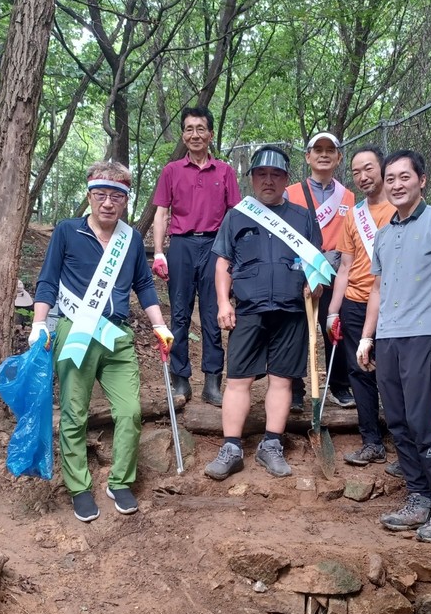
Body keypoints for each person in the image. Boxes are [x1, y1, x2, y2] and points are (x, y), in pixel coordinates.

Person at [29, 161, 174, 522]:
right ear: (90, 195)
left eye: (116, 196)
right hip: (75, 331)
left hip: (117, 334)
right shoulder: (67, 231)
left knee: (130, 410)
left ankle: (120, 480)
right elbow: (48, 279)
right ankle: (79, 486)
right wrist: (39, 323)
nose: (108, 203)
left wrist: (159, 325)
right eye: (101, 195)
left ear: (126, 200)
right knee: (74, 412)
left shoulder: (131, 239)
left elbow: (144, 285)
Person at [356, 149, 431, 543]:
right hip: (389, 337)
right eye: (390, 178)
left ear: (422, 180)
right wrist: (367, 336)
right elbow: (376, 289)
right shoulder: (384, 235)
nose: (396, 184)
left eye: (405, 177)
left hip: (426, 334)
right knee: (399, 423)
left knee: (422, 421)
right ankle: (419, 497)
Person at [204, 145, 327, 480]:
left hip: (291, 309)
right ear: (252, 179)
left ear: (286, 179)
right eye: (262, 174)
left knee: (282, 379)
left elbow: (316, 261)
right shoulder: (237, 216)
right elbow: (223, 262)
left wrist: (315, 283)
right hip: (249, 309)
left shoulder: (302, 217)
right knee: (238, 379)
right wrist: (224, 302)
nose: (268, 180)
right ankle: (231, 448)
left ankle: (271, 445)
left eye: (276, 175)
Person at [151, 106, 241, 408]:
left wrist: (234, 255)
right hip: (181, 245)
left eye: (201, 129)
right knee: (179, 313)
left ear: (210, 134)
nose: (195, 134)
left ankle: (212, 382)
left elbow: (234, 215)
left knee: (214, 314)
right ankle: (181, 380)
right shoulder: (172, 171)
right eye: (189, 129)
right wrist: (160, 252)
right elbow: (161, 212)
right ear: (183, 135)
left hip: (216, 247)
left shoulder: (225, 171)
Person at [326, 146, 395, 467]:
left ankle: (405, 442)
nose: (363, 176)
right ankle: (371, 441)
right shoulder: (353, 215)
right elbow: (344, 267)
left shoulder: (401, 208)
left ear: (382, 168)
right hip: (355, 302)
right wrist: (333, 311)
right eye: (356, 172)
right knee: (360, 369)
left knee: (393, 373)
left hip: (393, 304)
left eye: (368, 168)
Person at [286, 132, 356, 411]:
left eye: (330, 150)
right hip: (298, 269)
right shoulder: (291, 192)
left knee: (335, 324)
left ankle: (338, 385)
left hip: (334, 272)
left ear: (339, 157)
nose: (324, 154)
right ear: (308, 156)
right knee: (295, 328)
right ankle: (294, 388)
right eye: (318, 149)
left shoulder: (348, 196)